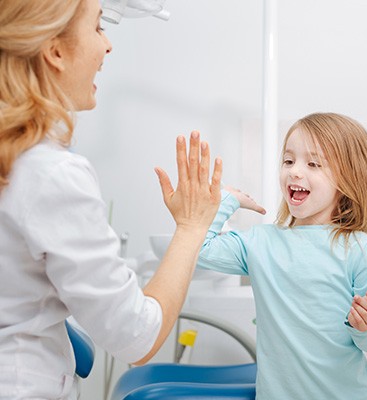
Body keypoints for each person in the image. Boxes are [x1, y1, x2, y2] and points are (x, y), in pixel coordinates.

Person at [0, 0, 222, 398]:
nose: (108, 46)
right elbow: (137, 337)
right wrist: (191, 226)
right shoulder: (49, 173)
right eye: (99, 27)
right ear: (54, 50)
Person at [197, 112, 367, 399]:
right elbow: (200, 249)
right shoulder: (261, 242)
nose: (295, 171)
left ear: (348, 179)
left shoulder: (361, 249)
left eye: (313, 163)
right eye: (288, 160)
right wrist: (227, 200)